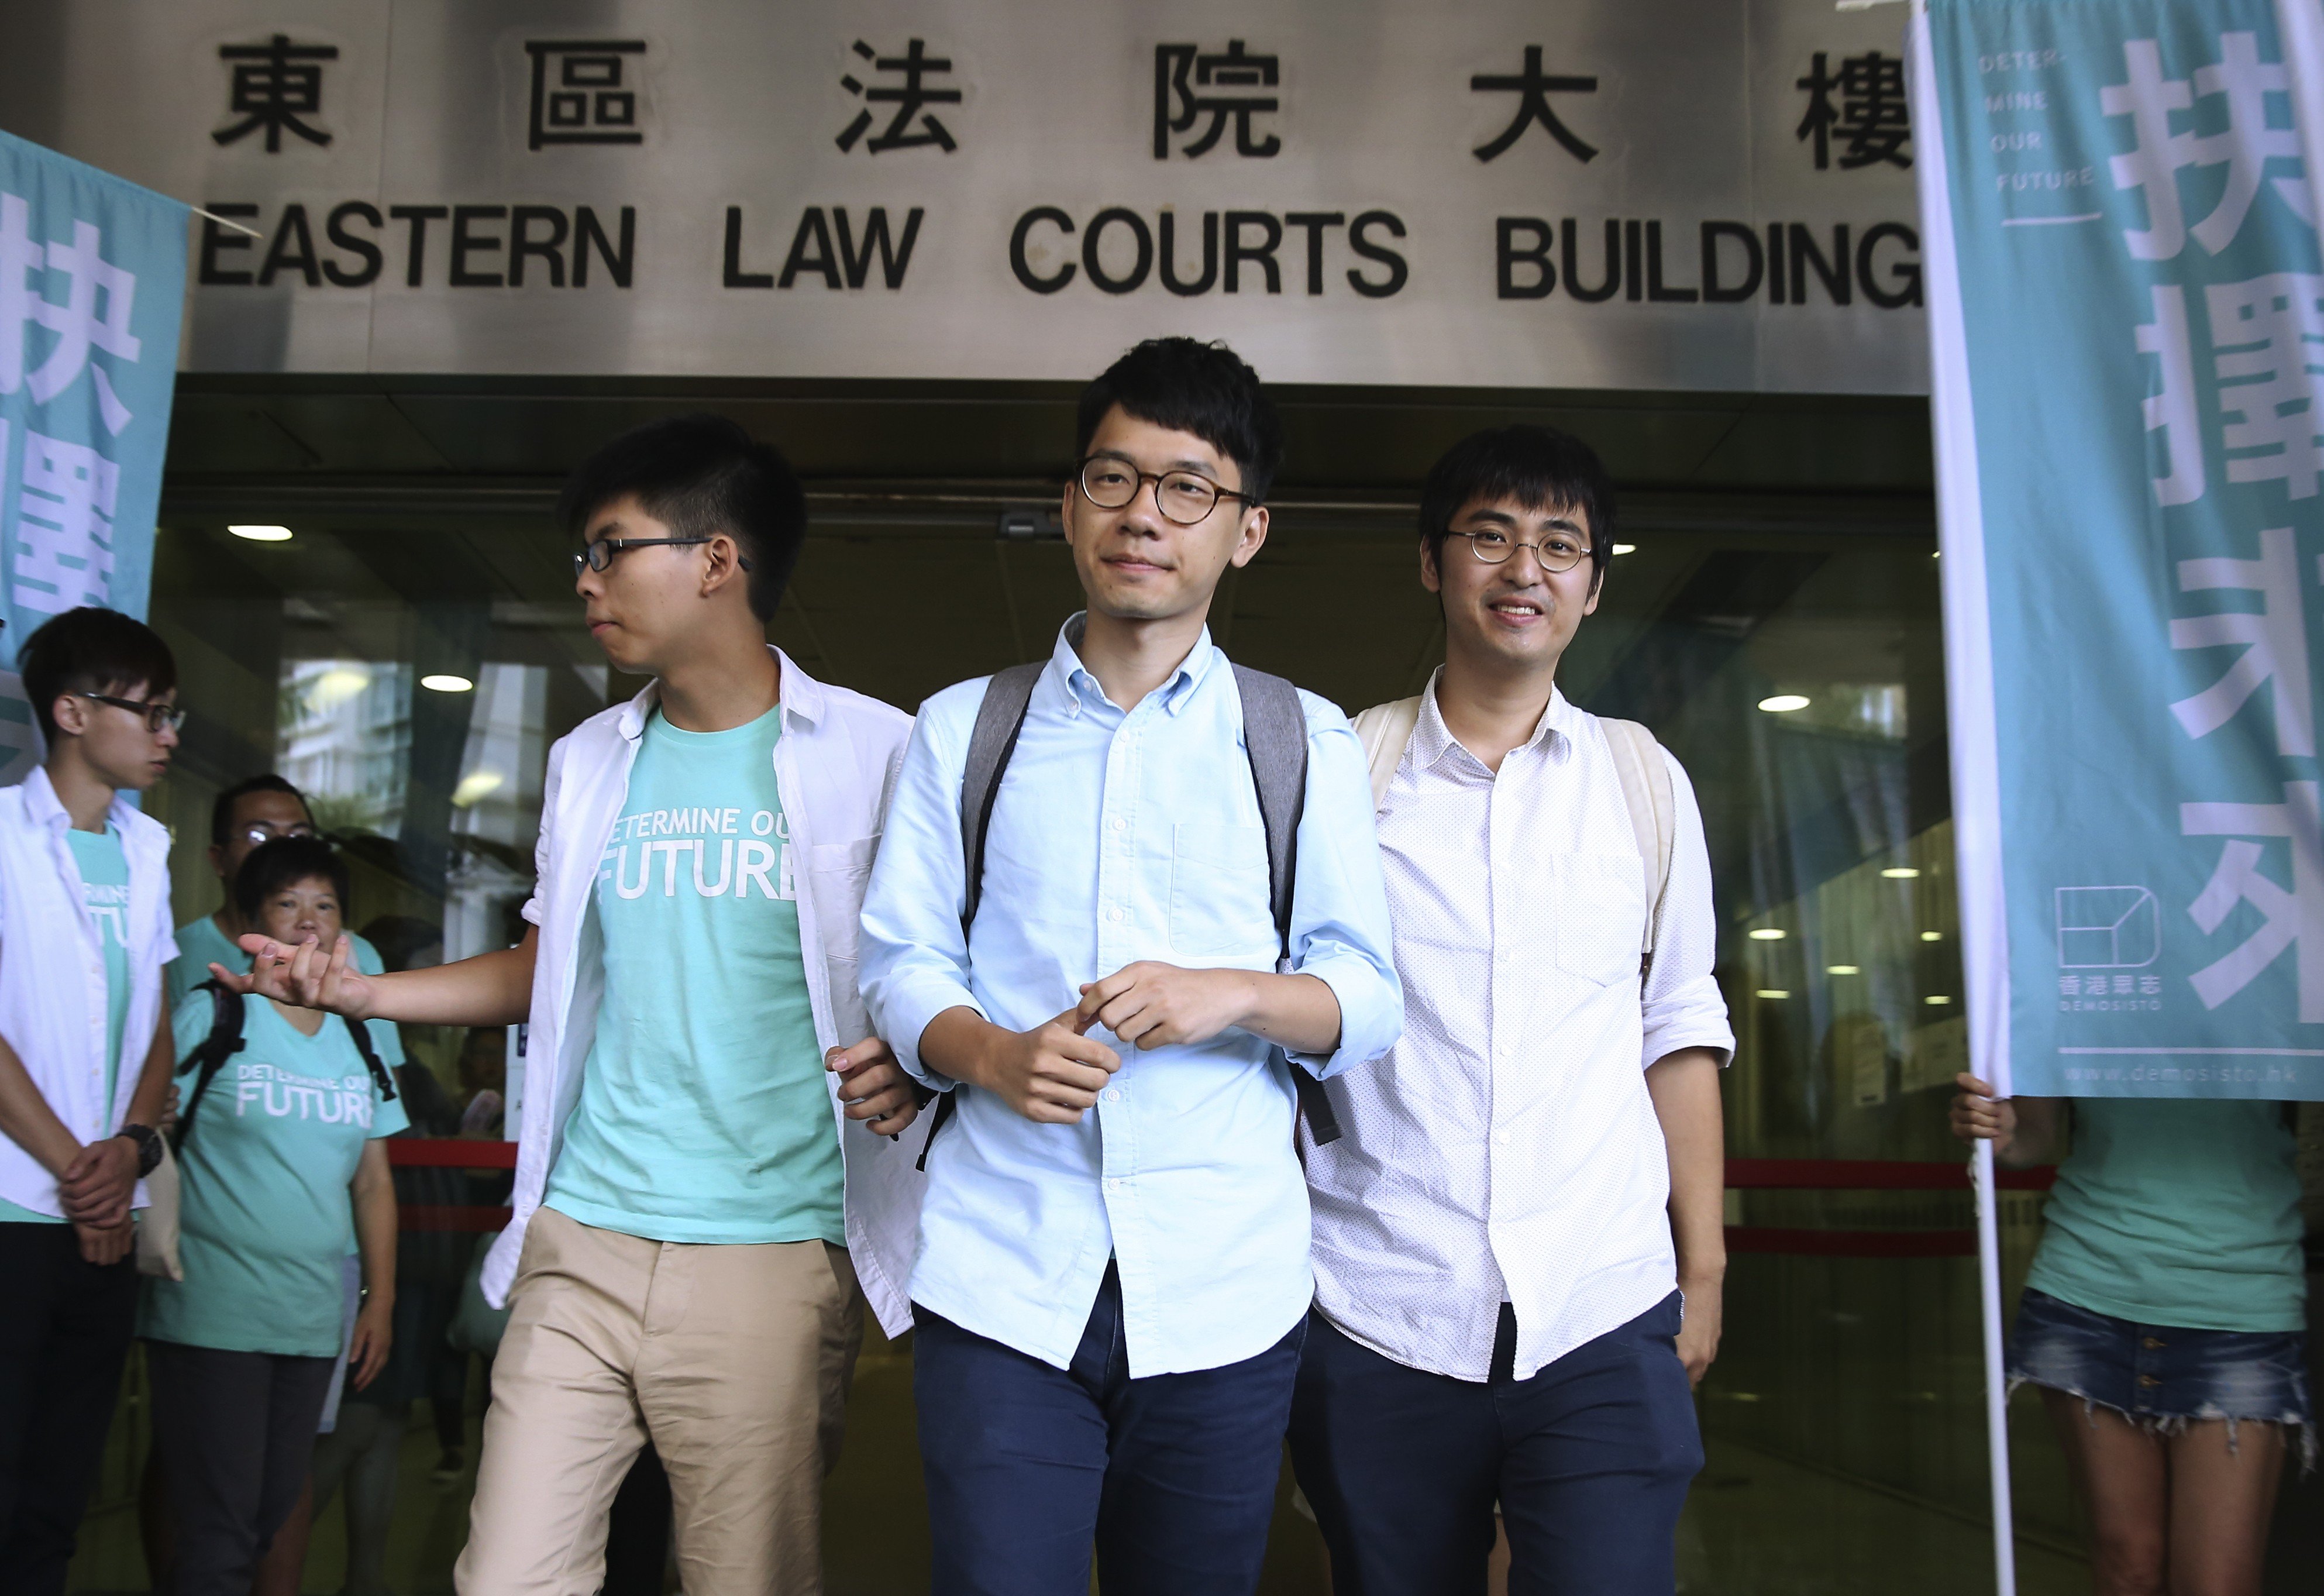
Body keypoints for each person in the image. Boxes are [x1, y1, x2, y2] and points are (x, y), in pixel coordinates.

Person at [223, 413, 927, 1596]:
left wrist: (924, 1056)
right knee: (506, 1574)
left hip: (765, 1250)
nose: (588, 580)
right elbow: (543, 966)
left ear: (716, 560)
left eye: (611, 548)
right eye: (583, 557)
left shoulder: (880, 750)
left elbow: (940, 970)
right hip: (581, 1235)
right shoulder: (592, 756)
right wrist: (357, 988)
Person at [859, 336, 1403, 1596]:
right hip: (1004, 1276)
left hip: (1221, 1288)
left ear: (1247, 529)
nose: (1143, 516)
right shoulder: (965, 726)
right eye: (1113, 479)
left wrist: (1236, 994)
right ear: (1069, 504)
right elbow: (901, 963)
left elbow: (1366, 992)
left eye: (1186, 486)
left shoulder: (1298, 735)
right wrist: (988, 1051)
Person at [1287, 425, 1734, 1595]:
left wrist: (1707, 1268)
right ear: (1433, 562)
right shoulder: (1344, 772)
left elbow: (1678, 1031)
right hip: (1380, 1301)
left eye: (1558, 543)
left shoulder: (1643, 780)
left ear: (1592, 584)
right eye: (1489, 535)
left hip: (1601, 1301)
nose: (1522, 568)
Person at [143, 836, 402, 1596]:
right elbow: (149, 1126)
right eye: (287, 904)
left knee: (265, 1518)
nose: (307, 922)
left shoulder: (355, 1031)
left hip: (312, 1315)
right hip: (212, 1309)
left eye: (325, 905)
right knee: (218, 1532)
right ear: (251, 922)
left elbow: (373, 1182)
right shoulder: (215, 1014)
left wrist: (379, 1300)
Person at [1951, 1078, 2310, 1596]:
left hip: (2241, 1291)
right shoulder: (2073, 990)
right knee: (2129, 1568)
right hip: (2089, 1284)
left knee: (2216, 1584)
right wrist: (2001, 1129)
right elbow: (2032, 1131)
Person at [0, 607, 182, 1596]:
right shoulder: (0, 835)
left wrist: (126, 1149)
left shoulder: (147, 845)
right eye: (148, 712)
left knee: (58, 1493)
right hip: (15, 1211)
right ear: (72, 711)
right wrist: (87, 1170)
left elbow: (154, 1019)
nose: (167, 734)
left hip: (103, 1212)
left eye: (172, 712)